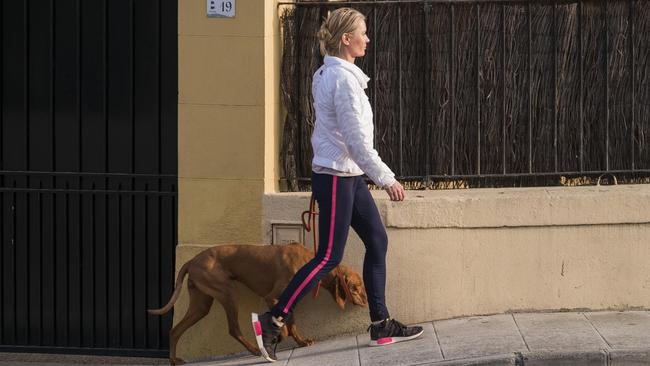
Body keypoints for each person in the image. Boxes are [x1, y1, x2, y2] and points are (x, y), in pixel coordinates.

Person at [251, 7, 423, 362]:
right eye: (363, 32)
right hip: (335, 177)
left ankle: (380, 323)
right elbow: (357, 140)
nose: (367, 38)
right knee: (329, 256)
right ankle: (272, 321)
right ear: (347, 39)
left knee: (377, 240)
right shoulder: (342, 81)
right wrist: (386, 178)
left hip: (346, 175)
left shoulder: (330, 73)